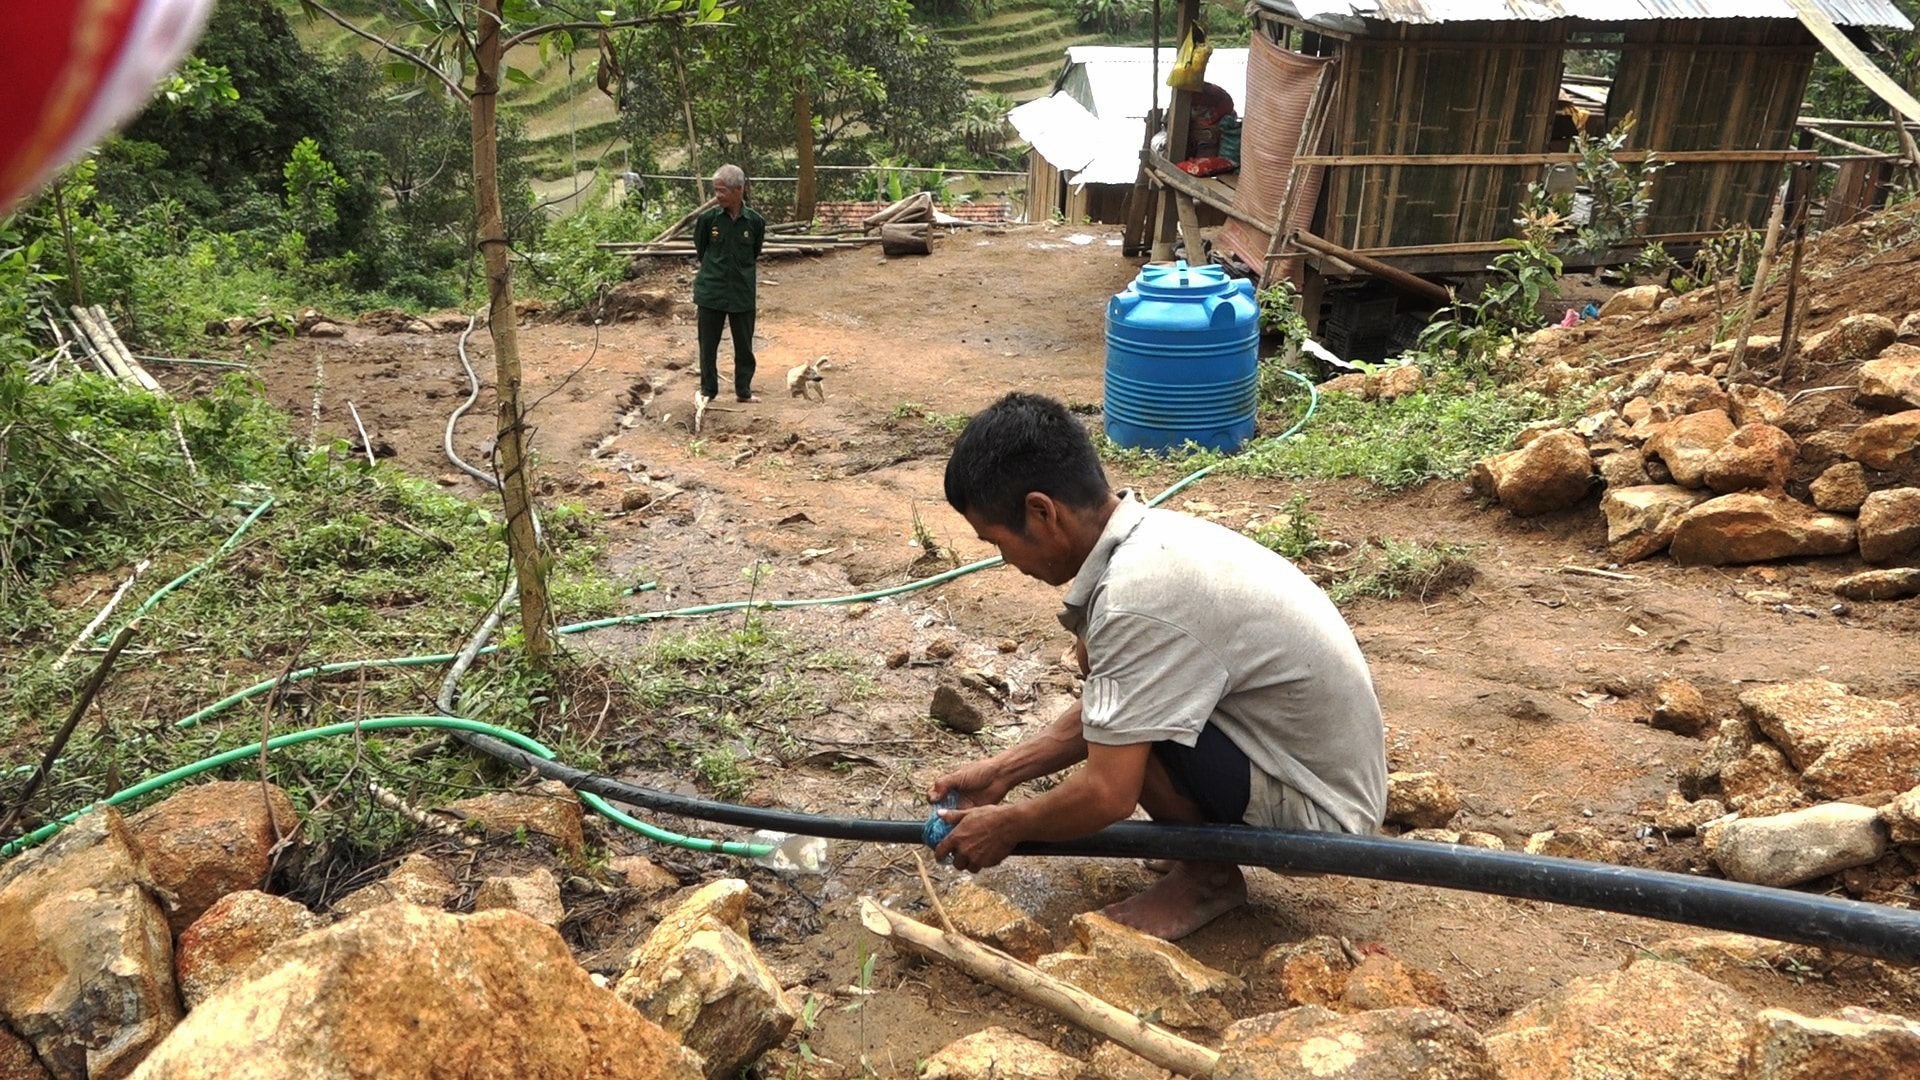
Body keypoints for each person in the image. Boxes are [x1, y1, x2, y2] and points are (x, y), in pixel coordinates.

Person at [929, 392, 1387, 940]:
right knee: (1120, 703)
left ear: (1041, 512)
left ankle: (1207, 877)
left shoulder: (1135, 599)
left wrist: (1009, 826)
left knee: (1129, 740)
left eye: (997, 542)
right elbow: (1119, 701)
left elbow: (1108, 793)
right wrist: (1002, 773)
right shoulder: (1150, 541)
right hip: (1311, 768)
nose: (1005, 561)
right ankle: (1198, 845)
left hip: (1320, 818)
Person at [691, 164, 765, 406]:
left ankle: (743, 390)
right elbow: (701, 250)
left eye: (723, 191)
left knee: (744, 345)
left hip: (742, 292)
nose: (718, 196)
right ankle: (708, 390)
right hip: (711, 291)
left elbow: (754, 252)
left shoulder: (754, 222)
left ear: (739, 190)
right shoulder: (707, 220)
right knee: (708, 345)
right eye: (716, 190)